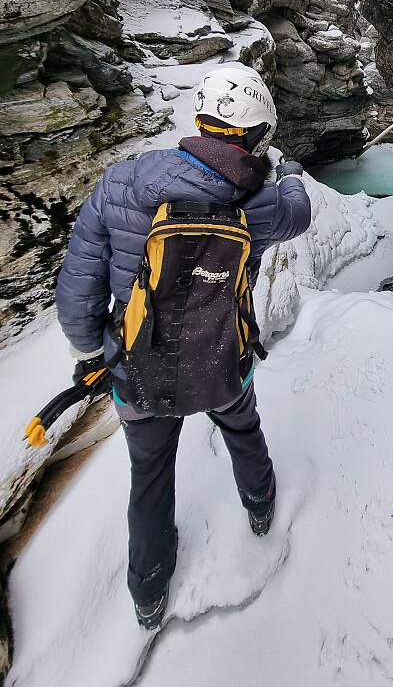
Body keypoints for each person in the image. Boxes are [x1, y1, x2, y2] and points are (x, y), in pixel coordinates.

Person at [55, 65, 311, 629]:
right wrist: (288, 172)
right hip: (223, 361)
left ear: (199, 118)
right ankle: (262, 505)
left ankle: (148, 594)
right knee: (243, 429)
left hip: (135, 369)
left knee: (148, 473)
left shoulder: (121, 184)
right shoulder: (262, 202)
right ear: (256, 135)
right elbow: (300, 213)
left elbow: (78, 290)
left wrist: (90, 352)